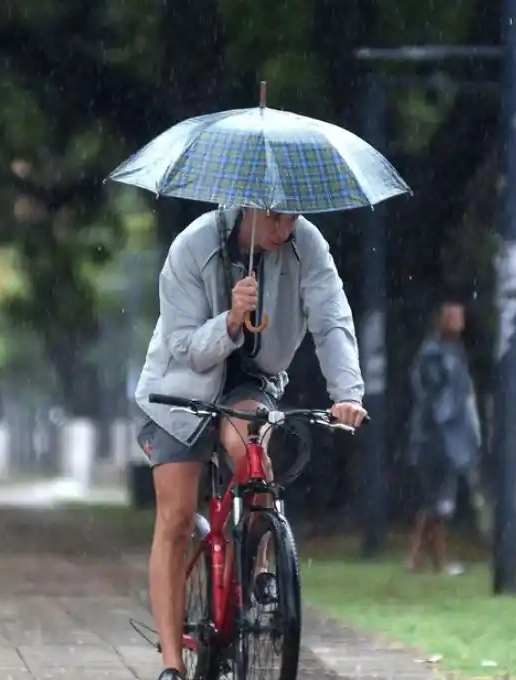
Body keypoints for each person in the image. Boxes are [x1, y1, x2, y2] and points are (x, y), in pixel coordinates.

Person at [134, 207, 368, 680]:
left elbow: (331, 319)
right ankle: (172, 665)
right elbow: (184, 347)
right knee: (177, 516)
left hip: (251, 384)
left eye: (292, 218)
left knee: (251, 451)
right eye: (275, 218)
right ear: (247, 207)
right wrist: (231, 320)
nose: (285, 229)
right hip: (179, 386)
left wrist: (347, 394)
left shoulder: (306, 245)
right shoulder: (193, 246)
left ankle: (260, 561)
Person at [404, 295, 482, 575]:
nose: (458, 322)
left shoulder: (451, 352)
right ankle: (424, 560)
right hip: (437, 440)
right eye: (452, 316)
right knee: (436, 502)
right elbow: (436, 400)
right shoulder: (436, 355)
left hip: (445, 439)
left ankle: (427, 561)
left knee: (436, 503)